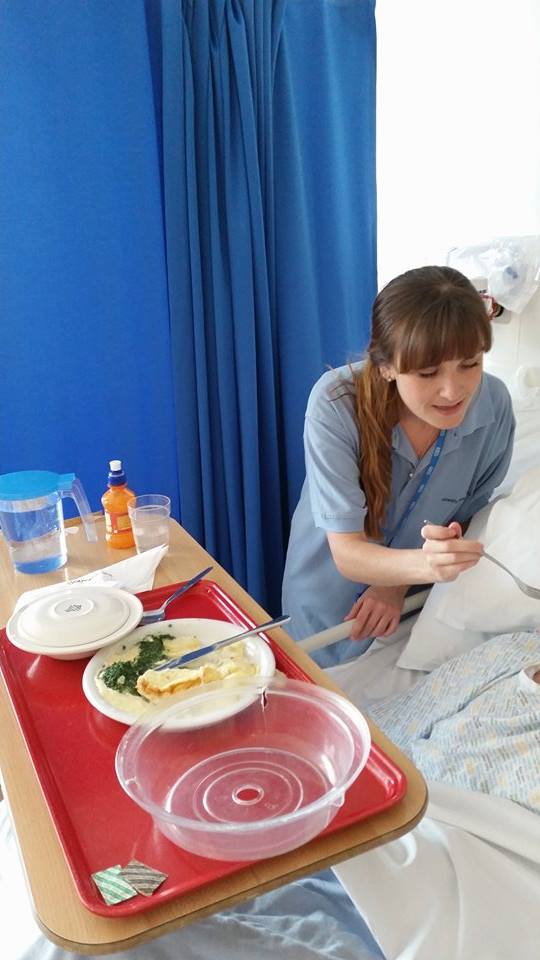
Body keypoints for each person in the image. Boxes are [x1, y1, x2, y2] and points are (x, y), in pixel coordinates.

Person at [281, 265, 515, 654]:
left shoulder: (494, 408)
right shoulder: (337, 403)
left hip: (410, 610)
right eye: (427, 372)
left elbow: (468, 516)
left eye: (470, 364)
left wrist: (395, 585)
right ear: (387, 366)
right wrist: (425, 567)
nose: (452, 390)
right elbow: (348, 552)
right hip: (326, 606)